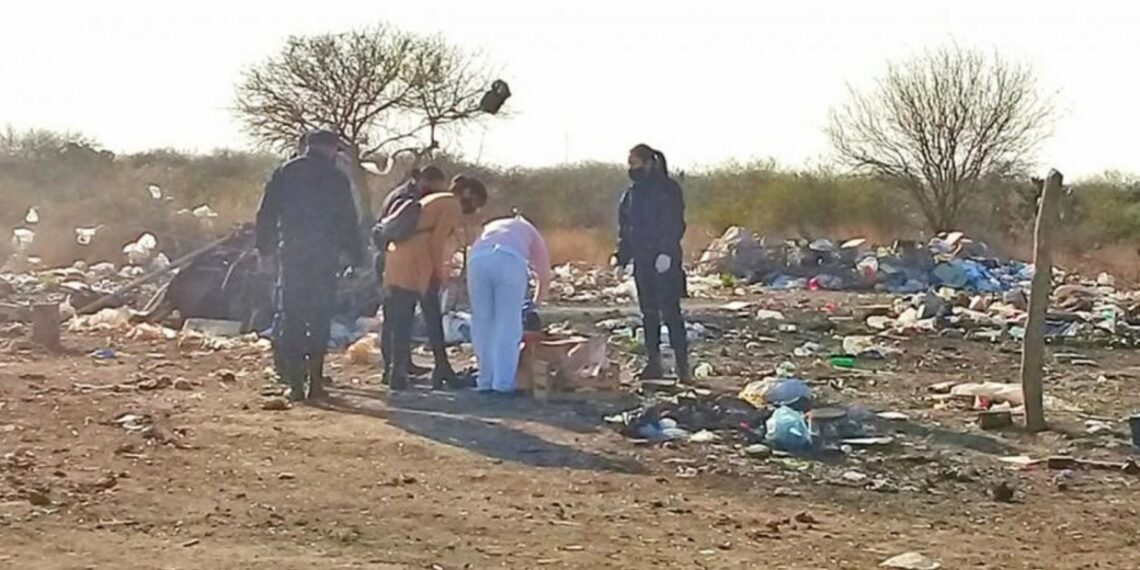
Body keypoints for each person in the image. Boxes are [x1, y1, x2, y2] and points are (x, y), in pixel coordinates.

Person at [256, 129, 363, 400]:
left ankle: (294, 385)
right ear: (329, 149)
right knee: (319, 317)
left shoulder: (285, 172)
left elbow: (266, 213)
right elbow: (348, 220)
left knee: (292, 316)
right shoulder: (337, 178)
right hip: (324, 257)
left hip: (292, 254)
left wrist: (264, 250)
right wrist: (354, 255)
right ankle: (315, 383)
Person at [382, 175, 488, 390]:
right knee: (426, 316)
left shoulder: (437, 199)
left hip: (399, 257)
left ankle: (401, 372)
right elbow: (437, 240)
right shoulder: (451, 205)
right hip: (416, 261)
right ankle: (435, 371)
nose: (474, 210)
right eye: (476, 203)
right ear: (468, 194)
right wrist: (440, 272)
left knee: (405, 318)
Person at [615, 144, 690, 381]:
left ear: (648, 163)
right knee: (648, 314)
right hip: (643, 261)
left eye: (635, 163)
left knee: (671, 313)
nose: (631, 169)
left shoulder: (668, 190)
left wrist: (667, 252)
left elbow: (675, 223)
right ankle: (653, 363)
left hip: (665, 261)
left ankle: (682, 367)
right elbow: (626, 229)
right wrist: (621, 257)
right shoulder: (631, 194)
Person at [375, 167, 453, 383]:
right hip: (398, 260)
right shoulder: (405, 198)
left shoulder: (404, 195)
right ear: (421, 180)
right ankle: (393, 369)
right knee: (398, 317)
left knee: (398, 317)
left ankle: (399, 367)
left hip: (396, 258)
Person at [467, 214, 552, 394]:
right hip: (509, 260)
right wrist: (534, 304)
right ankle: (503, 384)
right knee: (508, 324)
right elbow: (543, 276)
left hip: (477, 259)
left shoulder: (493, 224)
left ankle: (484, 380)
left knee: (482, 322)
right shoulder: (531, 232)